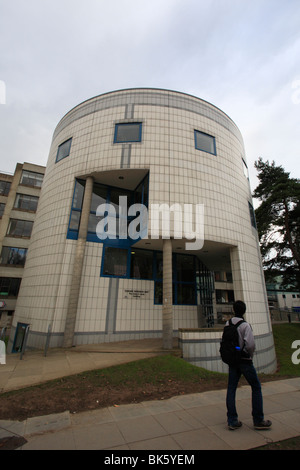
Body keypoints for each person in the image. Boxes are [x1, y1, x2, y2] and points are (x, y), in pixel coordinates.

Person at [226, 300, 272, 430]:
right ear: (244, 311)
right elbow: (250, 345)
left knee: (231, 388)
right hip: (245, 360)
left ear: (233, 310)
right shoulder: (245, 325)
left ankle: (232, 420)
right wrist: (249, 356)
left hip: (233, 361)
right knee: (256, 387)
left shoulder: (227, 323)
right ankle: (258, 420)